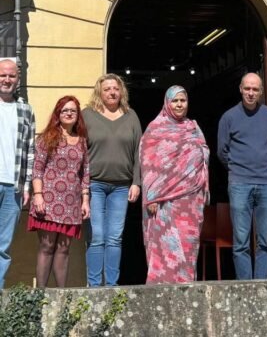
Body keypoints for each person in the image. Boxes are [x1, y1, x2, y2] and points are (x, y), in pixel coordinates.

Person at [140, 85, 209, 284]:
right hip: (164, 201)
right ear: (167, 103)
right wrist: (151, 195)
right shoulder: (156, 128)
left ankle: (185, 285)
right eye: (175, 101)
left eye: (183, 100)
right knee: (165, 246)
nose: (179, 105)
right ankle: (161, 287)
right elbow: (148, 162)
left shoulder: (193, 127)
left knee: (188, 244)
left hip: (190, 199)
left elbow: (204, 151)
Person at [83, 73, 142, 287]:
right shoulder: (87, 115)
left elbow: (139, 152)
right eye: (107, 89)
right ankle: (94, 285)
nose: (112, 92)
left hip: (121, 187)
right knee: (97, 236)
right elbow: (80, 151)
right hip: (94, 185)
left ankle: (112, 286)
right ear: (100, 91)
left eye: (115, 88)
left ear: (121, 91)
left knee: (115, 237)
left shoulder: (131, 115)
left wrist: (136, 182)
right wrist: (83, 189)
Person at [217, 72, 267, 280]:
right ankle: (246, 286)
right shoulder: (229, 117)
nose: (251, 93)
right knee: (241, 240)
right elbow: (221, 152)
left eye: (255, 89)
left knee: (266, 240)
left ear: (261, 91)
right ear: (240, 89)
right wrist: (238, 169)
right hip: (240, 183)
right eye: (247, 88)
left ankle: (260, 285)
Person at [28, 96, 90, 287]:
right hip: (48, 201)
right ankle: (40, 295)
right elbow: (37, 169)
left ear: (77, 115)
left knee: (64, 250)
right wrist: (38, 196)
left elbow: (85, 172)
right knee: (47, 247)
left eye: (73, 110)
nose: (69, 113)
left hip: (71, 204)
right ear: (58, 114)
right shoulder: (47, 138)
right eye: (65, 110)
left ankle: (60, 296)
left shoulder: (81, 141)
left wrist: (85, 201)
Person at [0, 59, 35, 288]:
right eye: (3, 75)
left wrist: (28, 185)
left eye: (11, 76)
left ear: (18, 79)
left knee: (3, 247)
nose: (7, 80)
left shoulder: (25, 109)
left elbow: (30, 149)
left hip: (13, 186)